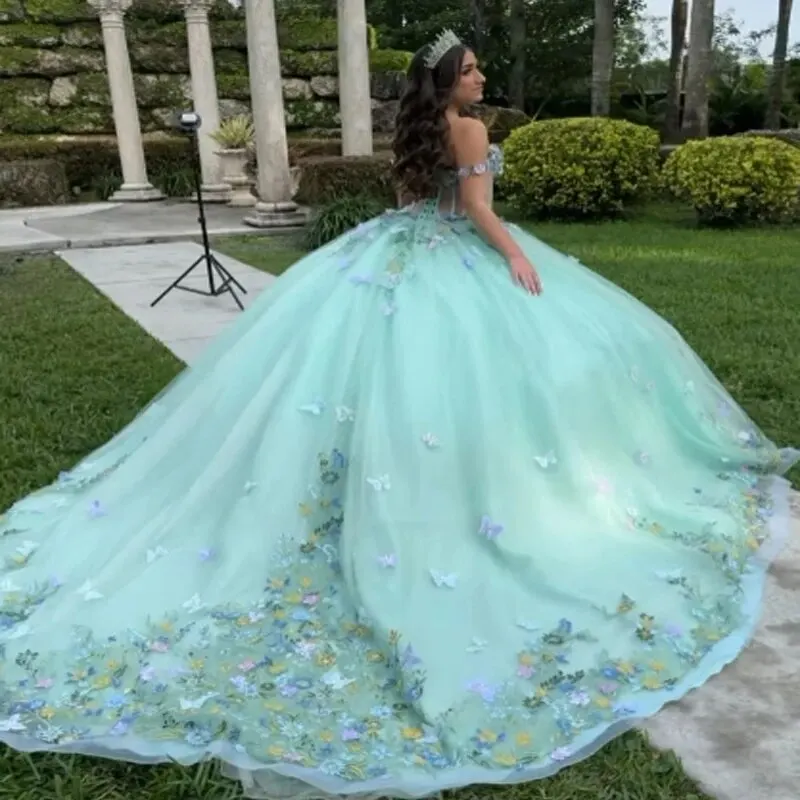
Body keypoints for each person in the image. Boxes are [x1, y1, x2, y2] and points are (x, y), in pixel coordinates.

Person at [0, 28, 796, 800]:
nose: (481, 79)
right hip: (457, 252)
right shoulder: (471, 127)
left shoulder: (416, 128)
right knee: (490, 374)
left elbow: (413, 197)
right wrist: (517, 253)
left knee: (369, 377)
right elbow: (476, 207)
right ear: (450, 81)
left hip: (394, 248)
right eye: (471, 70)